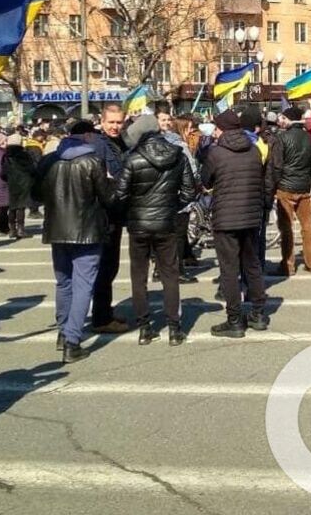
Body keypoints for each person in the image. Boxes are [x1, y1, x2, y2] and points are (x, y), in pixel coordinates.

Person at [112, 112, 198, 345]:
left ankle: (144, 328)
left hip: (138, 224)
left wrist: (132, 210)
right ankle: (174, 328)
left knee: (138, 277)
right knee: (170, 275)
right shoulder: (178, 155)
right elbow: (190, 191)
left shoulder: (132, 159)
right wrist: (172, 207)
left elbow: (120, 195)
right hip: (166, 222)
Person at [33, 120, 113, 362]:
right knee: (83, 285)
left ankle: (63, 331)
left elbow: (35, 194)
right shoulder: (92, 162)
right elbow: (108, 198)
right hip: (87, 230)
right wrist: (111, 182)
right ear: (88, 136)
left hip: (57, 229)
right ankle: (72, 340)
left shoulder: (50, 160)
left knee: (63, 282)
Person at [202, 108, 270, 338]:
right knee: (252, 265)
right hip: (251, 216)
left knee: (229, 270)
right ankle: (259, 314)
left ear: (221, 129)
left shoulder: (216, 153)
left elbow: (205, 180)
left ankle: (234, 320)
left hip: (226, 218)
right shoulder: (253, 150)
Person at [87, 107, 134, 334]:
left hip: (114, 213)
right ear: (102, 121)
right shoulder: (98, 144)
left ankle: (102, 312)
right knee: (104, 267)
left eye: (119, 122)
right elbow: (102, 181)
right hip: (102, 214)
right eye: (111, 122)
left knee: (109, 266)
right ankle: (101, 317)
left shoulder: (119, 143)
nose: (115, 126)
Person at [265, 106, 311, 275]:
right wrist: (306, 179)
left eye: (284, 118)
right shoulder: (309, 138)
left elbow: (276, 165)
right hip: (303, 186)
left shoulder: (282, 138)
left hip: (285, 187)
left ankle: (288, 265)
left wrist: (274, 185)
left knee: (287, 227)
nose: (281, 121)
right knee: (308, 226)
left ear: (289, 119)